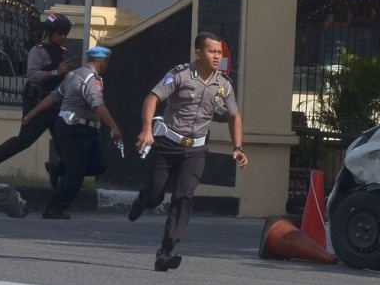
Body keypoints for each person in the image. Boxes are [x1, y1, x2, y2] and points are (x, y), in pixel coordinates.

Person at [128, 32, 247, 272]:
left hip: (197, 150)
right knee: (154, 197)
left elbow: (234, 115)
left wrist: (238, 147)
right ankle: (143, 199)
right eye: (212, 51)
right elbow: (152, 98)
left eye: (220, 52)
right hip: (168, 145)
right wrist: (147, 129)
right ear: (198, 53)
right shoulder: (180, 75)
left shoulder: (223, 85)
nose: (217, 56)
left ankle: (166, 251)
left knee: (184, 197)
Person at [23, 46, 122, 219]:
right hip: (76, 129)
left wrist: (34, 111)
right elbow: (98, 105)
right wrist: (114, 126)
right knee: (75, 174)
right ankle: (53, 209)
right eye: (107, 63)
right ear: (103, 63)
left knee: (99, 165)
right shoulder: (92, 79)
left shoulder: (74, 74)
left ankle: (58, 168)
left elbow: (55, 96)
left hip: (78, 128)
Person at [0, 13, 74, 187]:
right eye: (60, 33)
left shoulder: (62, 52)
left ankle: (59, 173)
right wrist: (55, 72)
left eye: (65, 34)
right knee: (24, 140)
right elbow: (32, 75)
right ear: (51, 33)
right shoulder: (38, 51)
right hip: (38, 102)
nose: (63, 37)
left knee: (65, 143)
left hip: (57, 103)